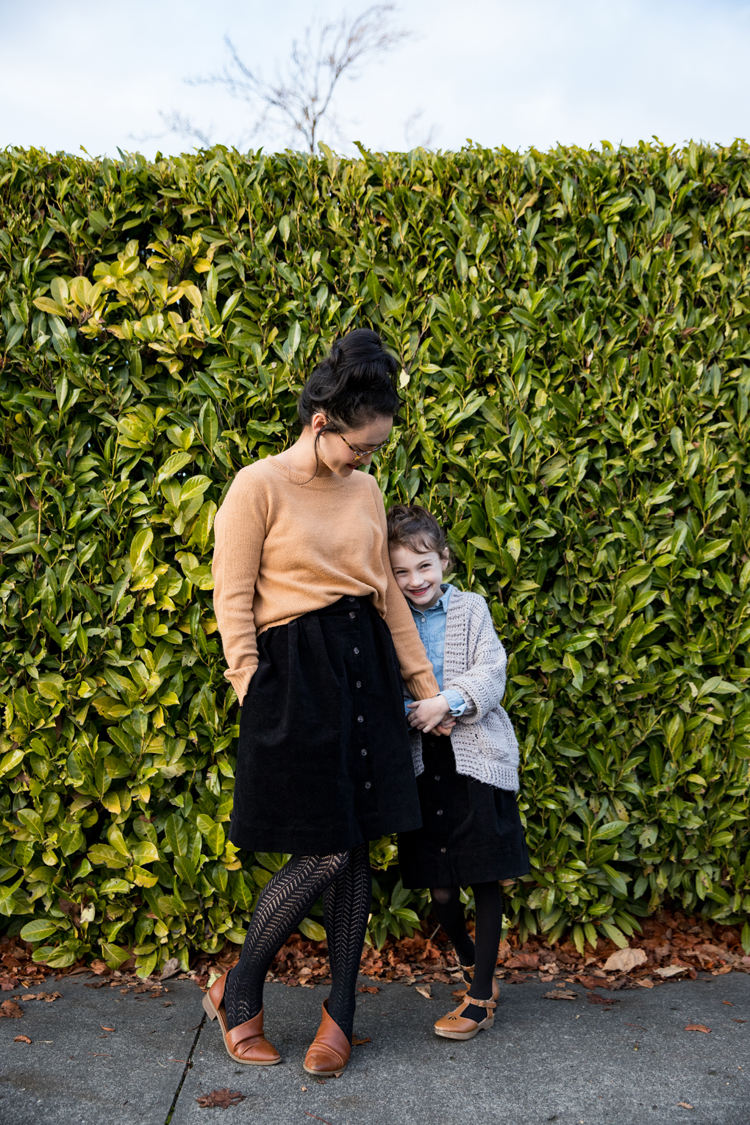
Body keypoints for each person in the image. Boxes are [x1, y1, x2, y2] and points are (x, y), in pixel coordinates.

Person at [208, 330, 445, 1078]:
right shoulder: (258, 486)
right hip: (297, 678)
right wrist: (253, 685)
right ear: (321, 422)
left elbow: (388, 600)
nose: (366, 461)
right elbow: (232, 600)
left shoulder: (366, 492)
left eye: (375, 449)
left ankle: (339, 1013)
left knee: (359, 845)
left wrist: (423, 687)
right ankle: (238, 988)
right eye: (360, 447)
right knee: (325, 846)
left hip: (365, 673)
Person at [387, 503, 530, 1042]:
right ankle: (473, 962)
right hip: (424, 767)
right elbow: (384, 690)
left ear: (443, 559)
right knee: (441, 890)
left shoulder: (470, 609)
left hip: (477, 760)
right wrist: (416, 713)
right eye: (400, 571)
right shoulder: (390, 620)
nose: (415, 580)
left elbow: (492, 672)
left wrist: (446, 703)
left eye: (423, 566)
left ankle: (479, 999)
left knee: (482, 874)